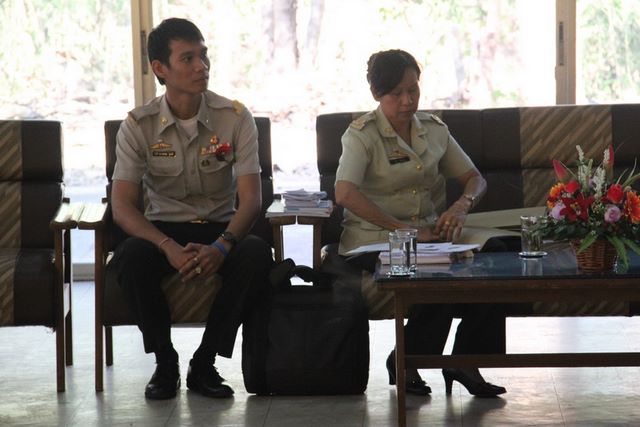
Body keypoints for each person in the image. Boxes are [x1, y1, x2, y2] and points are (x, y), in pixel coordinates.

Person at [109, 17, 272, 400]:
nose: (202, 66)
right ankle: (165, 362)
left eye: (204, 55)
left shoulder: (235, 118)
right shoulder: (138, 125)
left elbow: (251, 198)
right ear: (160, 68)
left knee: (256, 254)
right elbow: (122, 206)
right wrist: (167, 246)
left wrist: (222, 246)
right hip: (163, 230)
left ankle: (205, 362)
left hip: (220, 227)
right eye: (188, 58)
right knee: (130, 257)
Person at [334, 49, 506, 397]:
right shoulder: (361, 135)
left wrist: (461, 206)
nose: (407, 100)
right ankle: (407, 360)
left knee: (498, 255)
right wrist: (404, 230)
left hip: (429, 236)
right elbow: (345, 193)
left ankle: (466, 360)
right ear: (376, 94)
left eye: (413, 89)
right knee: (434, 270)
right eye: (396, 93)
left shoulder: (433, 129)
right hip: (374, 239)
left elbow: (475, 179)